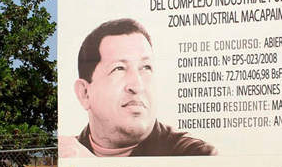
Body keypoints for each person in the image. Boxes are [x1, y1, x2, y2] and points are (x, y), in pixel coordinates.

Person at [60, 18, 216, 157]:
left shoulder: (195, 154)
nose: (137, 86)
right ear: (85, 93)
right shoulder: (68, 152)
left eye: (146, 67)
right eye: (119, 68)